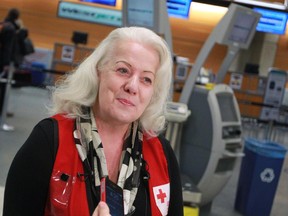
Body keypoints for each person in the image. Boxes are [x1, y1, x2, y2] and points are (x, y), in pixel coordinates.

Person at [3, 26, 183, 215]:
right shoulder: (49, 140)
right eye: (123, 70)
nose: (132, 86)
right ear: (98, 72)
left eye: (146, 79)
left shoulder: (161, 153)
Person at [0, 8, 22, 130]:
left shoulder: (3, 24)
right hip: (3, 62)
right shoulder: (11, 29)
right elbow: (8, 47)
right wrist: (6, 63)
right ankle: (2, 113)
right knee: (4, 88)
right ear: (17, 17)